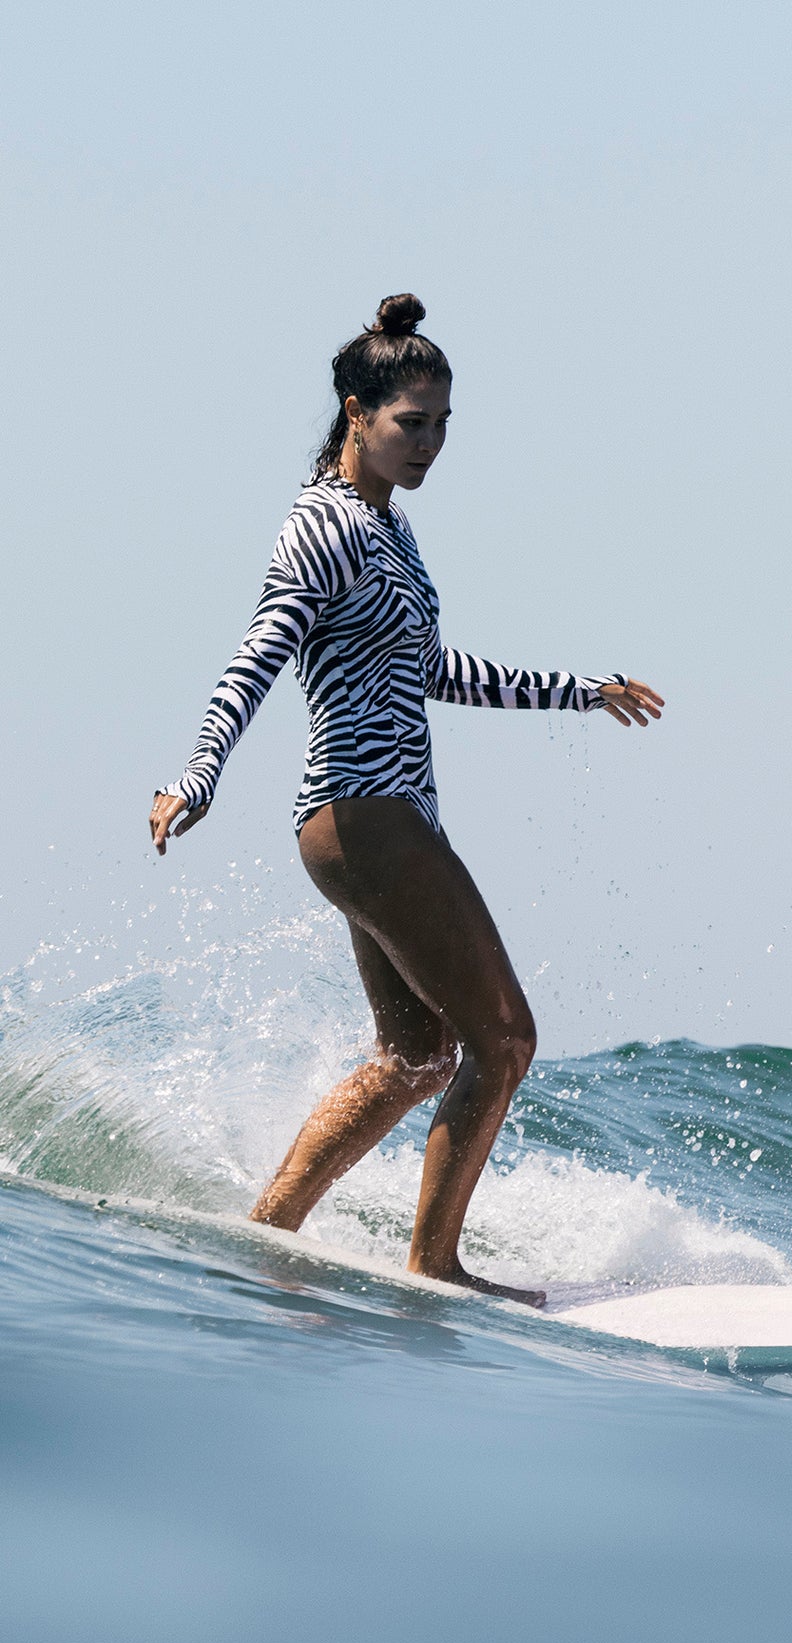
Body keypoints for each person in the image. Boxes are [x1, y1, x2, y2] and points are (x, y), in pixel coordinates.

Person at [149, 294, 663, 1307]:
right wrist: (196, 774)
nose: (427, 444)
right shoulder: (324, 529)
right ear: (356, 413)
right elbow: (258, 656)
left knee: (420, 1054)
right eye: (408, 423)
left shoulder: (390, 531)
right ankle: (434, 1266)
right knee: (503, 1039)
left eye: (439, 425)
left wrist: (578, 691)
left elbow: (430, 667)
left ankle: (268, 1235)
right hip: (363, 811)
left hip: (383, 821)